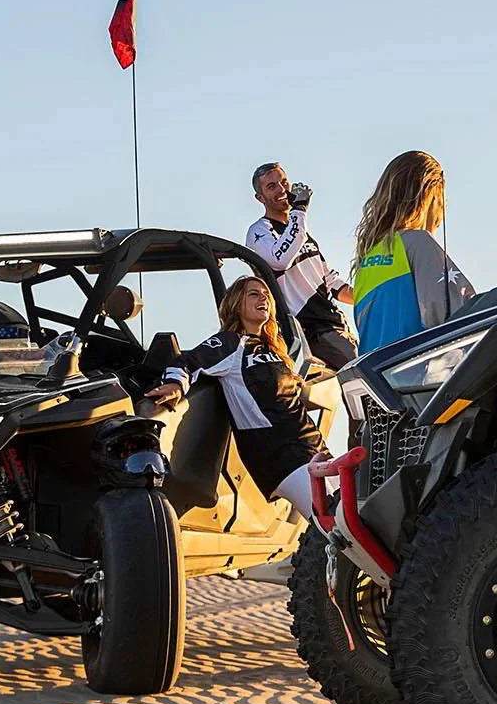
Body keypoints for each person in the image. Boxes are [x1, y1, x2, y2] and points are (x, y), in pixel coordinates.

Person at [145, 276, 330, 516]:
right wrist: (175, 385)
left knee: (359, 522)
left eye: (266, 294)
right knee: (337, 524)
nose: (263, 297)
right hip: (283, 457)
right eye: (253, 294)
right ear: (236, 304)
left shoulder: (276, 351)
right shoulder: (231, 343)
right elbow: (186, 363)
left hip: (314, 447)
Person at [351, 150, 477, 353]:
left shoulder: (367, 257)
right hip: (419, 375)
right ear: (429, 196)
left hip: (378, 376)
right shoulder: (418, 242)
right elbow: (456, 315)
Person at [245, 162, 359, 369]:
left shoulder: (301, 233)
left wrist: (370, 296)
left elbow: (331, 282)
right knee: (364, 380)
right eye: (272, 187)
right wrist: (299, 210)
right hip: (308, 333)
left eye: (284, 183)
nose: (282, 190)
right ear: (260, 198)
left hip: (336, 326)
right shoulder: (258, 231)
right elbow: (279, 260)